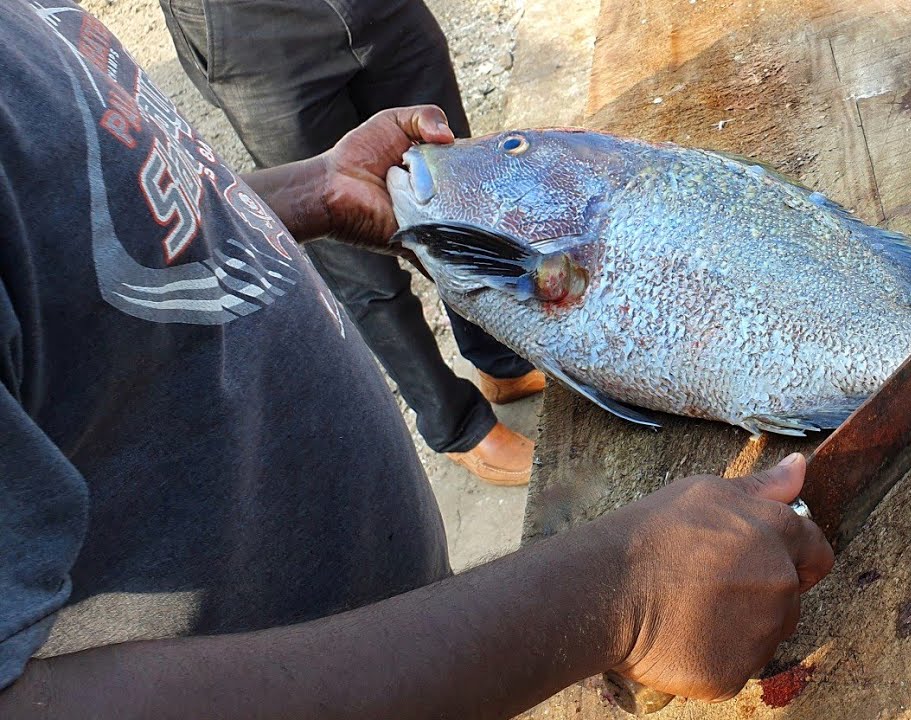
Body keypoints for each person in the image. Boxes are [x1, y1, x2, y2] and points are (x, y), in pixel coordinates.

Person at [0, 2, 835, 718]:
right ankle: (464, 427)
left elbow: (84, 246)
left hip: (398, 636)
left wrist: (300, 192)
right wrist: (617, 597)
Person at [158, 0, 540, 486]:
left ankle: (500, 360)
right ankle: (454, 424)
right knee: (356, 255)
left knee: (457, 190)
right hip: (251, 31)